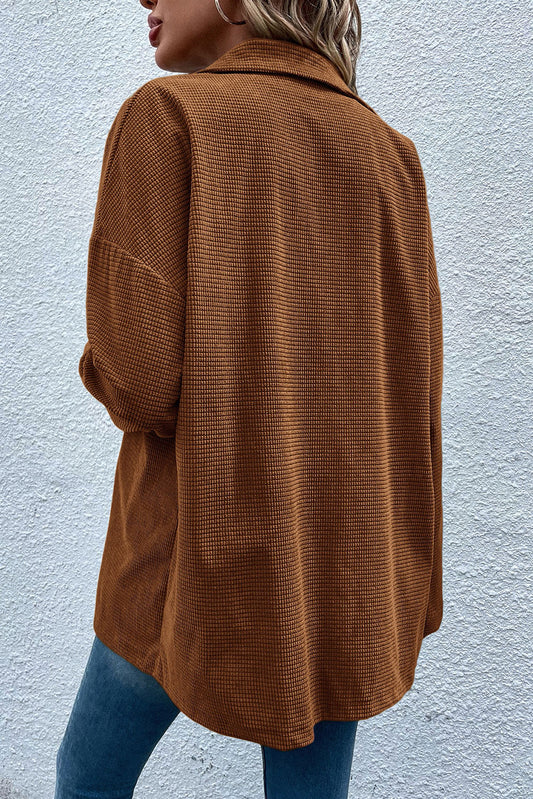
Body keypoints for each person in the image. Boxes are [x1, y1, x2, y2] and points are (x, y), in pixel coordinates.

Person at [55, 1, 443, 797]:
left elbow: (138, 380)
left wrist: (106, 362)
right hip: (340, 560)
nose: (146, 0)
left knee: (90, 779)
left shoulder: (169, 116)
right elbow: (409, 382)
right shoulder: (389, 154)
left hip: (187, 549)